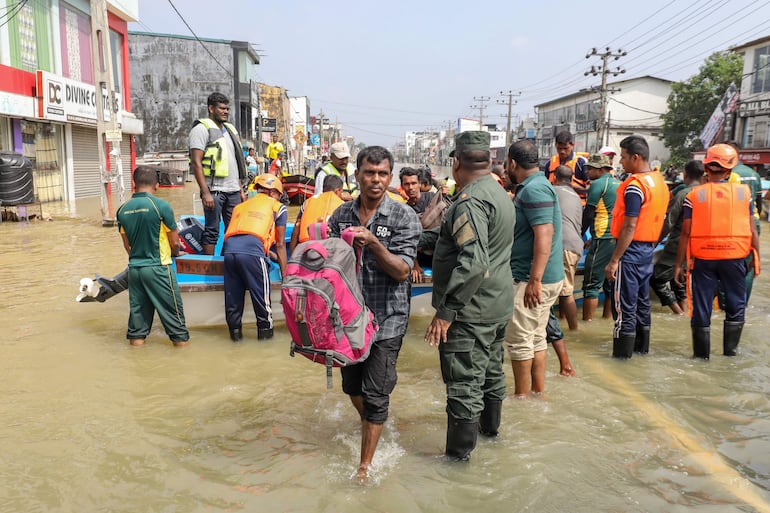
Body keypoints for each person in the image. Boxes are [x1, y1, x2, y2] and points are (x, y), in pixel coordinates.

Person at [327, 146, 420, 480]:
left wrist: (375, 244)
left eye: (382, 174)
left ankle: (364, 466)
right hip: (349, 319)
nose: (376, 180)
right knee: (351, 387)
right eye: (369, 173)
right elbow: (331, 268)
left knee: (376, 393)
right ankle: (374, 422)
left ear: (390, 177)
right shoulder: (340, 217)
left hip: (387, 319)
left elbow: (401, 271)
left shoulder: (403, 217)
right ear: (357, 176)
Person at [424, 131, 515, 461]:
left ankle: (457, 463)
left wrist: (446, 311)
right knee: (490, 374)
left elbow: (474, 262)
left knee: (463, 383)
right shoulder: (499, 193)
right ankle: (491, 436)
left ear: (457, 161)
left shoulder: (470, 201)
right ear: (489, 160)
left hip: (471, 312)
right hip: (497, 305)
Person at [674, 144, 759, 359]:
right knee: (735, 305)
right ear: (730, 171)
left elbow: (685, 233)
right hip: (735, 257)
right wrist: (755, 256)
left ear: (706, 169)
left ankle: (701, 358)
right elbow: (752, 228)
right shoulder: (744, 194)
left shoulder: (694, 195)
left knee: (702, 307)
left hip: (704, 259)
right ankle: (730, 354)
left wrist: (678, 265)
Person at [505, 140, 564, 397]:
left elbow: (544, 233)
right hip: (545, 277)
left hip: (532, 279)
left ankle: (522, 397)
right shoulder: (537, 186)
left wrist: (534, 280)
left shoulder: (533, 190)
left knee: (519, 343)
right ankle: (537, 393)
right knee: (537, 338)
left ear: (513, 164)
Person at [604, 135, 668, 358]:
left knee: (624, 309)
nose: (620, 162)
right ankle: (641, 353)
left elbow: (629, 226)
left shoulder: (635, 186)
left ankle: (621, 360)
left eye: (623, 157)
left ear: (636, 157)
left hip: (630, 252)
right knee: (642, 305)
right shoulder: (659, 182)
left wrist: (614, 260)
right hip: (647, 251)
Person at [116, 166, 189, 347]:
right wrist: (175, 252)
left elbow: (127, 246)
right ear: (156, 185)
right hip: (159, 268)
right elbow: (174, 242)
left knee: (137, 326)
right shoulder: (161, 206)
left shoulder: (122, 210)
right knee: (177, 325)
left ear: (134, 183)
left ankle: (137, 361)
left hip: (135, 270)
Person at [222, 174, 288, 342]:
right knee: (263, 305)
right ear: (273, 193)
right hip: (252, 253)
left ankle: (235, 341)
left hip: (230, 253)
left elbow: (241, 234)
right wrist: (286, 276)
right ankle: (265, 347)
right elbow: (280, 245)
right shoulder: (278, 207)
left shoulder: (240, 206)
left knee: (233, 304)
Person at [189, 92, 248, 255]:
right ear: (211, 108)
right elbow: (196, 162)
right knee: (212, 230)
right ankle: (210, 265)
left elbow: (236, 161)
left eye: (228, 108)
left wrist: (240, 188)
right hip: (214, 190)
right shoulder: (201, 129)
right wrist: (205, 192)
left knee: (235, 229)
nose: (226, 111)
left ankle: (226, 261)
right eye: (222, 108)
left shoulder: (230, 130)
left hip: (233, 190)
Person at [651, 160, 704, 315]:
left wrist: (653, 243)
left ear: (685, 174)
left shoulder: (683, 194)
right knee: (680, 282)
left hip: (678, 245)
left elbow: (668, 223)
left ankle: (678, 312)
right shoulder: (706, 193)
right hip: (699, 246)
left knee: (657, 279)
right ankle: (686, 314)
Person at [581, 153, 619, 321]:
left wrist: (579, 234)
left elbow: (589, 214)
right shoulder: (620, 183)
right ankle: (606, 319)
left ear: (600, 169)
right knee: (609, 282)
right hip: (616, 237)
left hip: (603, 236)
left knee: (591, 284)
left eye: (590, 168)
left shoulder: (598, 184)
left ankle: (587, 323)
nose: (587, 172)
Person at [552, 165, 583, 330]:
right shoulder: (576, 197)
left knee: (566, 291)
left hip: (563, 245)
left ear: (555, 178)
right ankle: (563, 322)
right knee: (564, 290)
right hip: (575, 246)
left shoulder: (553, 191)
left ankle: (574, 330)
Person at [288, 174, 344, 253]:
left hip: (304, 247)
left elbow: (296, 230)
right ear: (338, 191)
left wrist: (293, 256)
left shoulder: (308, 202)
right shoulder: (343, 206)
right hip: (328, 251)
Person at [546, 131, 589, 203]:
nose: (562, 151)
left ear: (572, 145)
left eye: (566, 148)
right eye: (559, 148)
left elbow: (589, 188)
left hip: (576, 204)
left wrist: (567, 188)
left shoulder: (581, 163)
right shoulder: (550, 163)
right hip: (555, 203)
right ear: (555, 145)